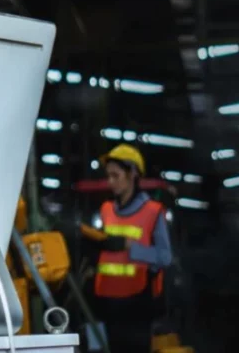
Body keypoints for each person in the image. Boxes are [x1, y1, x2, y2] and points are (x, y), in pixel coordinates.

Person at [90, 143, 173, 352]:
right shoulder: (106, 210)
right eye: (108, 176)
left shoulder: (153, 212)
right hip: (107, 305)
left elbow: (165, 257)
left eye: (116, 176)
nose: (111, 182)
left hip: (137, 307)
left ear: (133, 173)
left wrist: (129, 246)